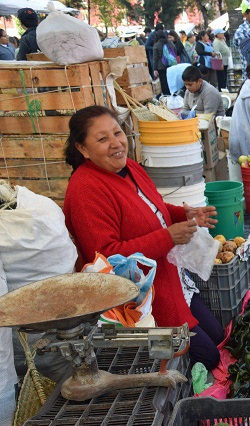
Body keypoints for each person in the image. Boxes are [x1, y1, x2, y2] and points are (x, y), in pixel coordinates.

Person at [63, 106, 224, 371]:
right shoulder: (85, 189)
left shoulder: (131, 168)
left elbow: (153, 207)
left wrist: (183, 214)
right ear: (82, 148)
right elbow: (105, 257)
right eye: (102, 139)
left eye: (118, 133)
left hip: (168, 277)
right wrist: (167, 237)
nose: (116, 144)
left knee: (217, 336)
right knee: (209, 357)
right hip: (136, 299)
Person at [153, 30, 178, 95]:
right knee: (171, 81)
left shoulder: (157, 45)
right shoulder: (170, 43)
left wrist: (155, 69)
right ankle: (173, 94)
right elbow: (175, 53)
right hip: (171, 65)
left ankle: (166, 96)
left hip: (161, 67)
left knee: (164, 83)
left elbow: (155, 58)